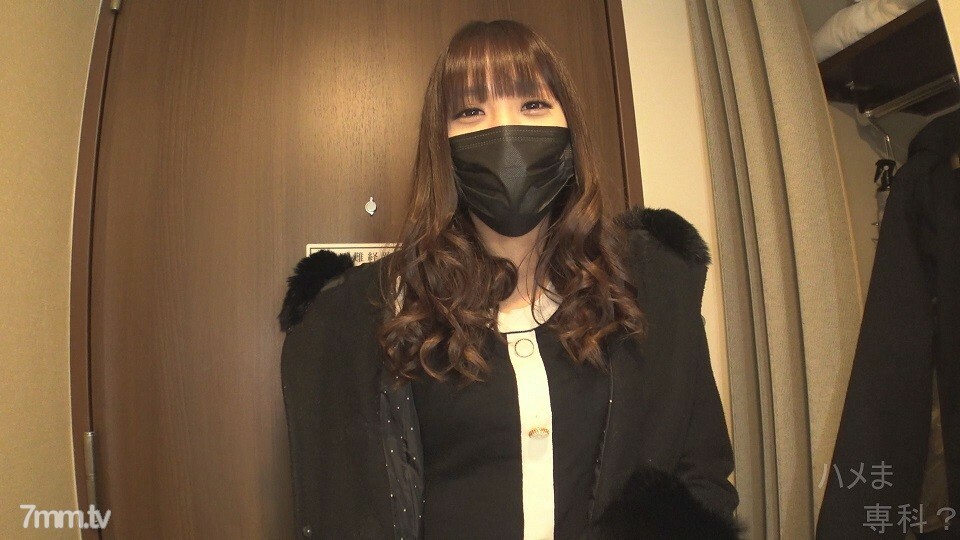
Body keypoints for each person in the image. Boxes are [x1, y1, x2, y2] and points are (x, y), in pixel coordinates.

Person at [278, 19, 741, 539]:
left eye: (533, 104)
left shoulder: (648, 288)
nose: (505, 133)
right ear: (442, 143)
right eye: (471, 111)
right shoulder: (384, 311)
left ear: (570, 128)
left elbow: (701, 476)